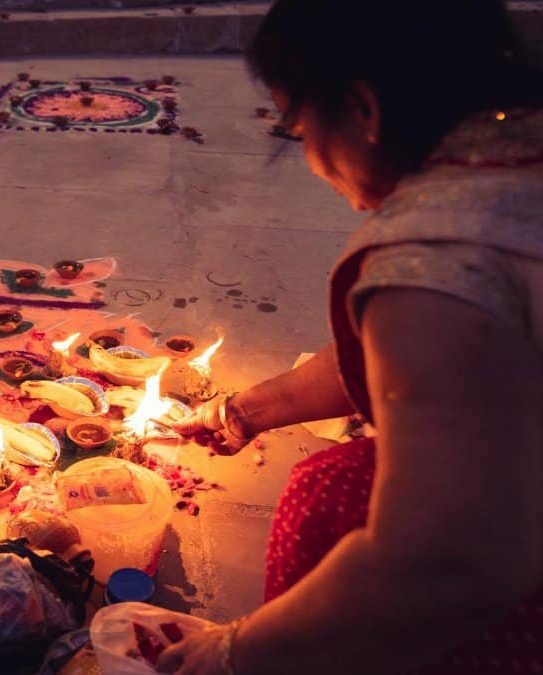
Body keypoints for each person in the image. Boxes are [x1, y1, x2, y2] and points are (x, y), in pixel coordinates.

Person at [160, 0, 542, 673]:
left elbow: (442, 565)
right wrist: (248, 410)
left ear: (363, 109)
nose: (309, 159)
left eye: (302, 129)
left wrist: (231, 653)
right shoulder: (518, 153)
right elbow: (417, 364)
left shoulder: (433, 261)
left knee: (325, 498)